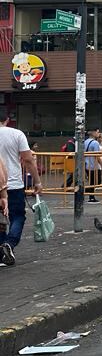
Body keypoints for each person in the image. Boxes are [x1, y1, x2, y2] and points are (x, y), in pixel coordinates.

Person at [0, 111, 41, 266]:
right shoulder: (17, 134)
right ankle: (9, 244)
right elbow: (28, 159)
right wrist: (37, 181)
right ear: (7, 120)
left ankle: (2, 254)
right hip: (13, 184)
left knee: (0, 220)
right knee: (17, 216)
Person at [84, 127, 102, 203]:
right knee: (96, 182)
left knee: (91, 181)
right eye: (97, 132)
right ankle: (90, 196)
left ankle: (90, 195)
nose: (98, 134)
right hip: (94, 165)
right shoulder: (95, 143)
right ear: (93, 133)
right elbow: (97, 155)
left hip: (87, 165)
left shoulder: (85, 142)